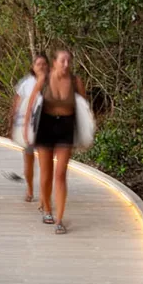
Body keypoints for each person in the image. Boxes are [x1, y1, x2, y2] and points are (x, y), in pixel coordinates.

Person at [35, 47, 86, 234]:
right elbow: (31, 105)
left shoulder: (75, 81)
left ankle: (59, 219)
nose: (66, 64)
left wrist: (85, 135)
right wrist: (24, 131)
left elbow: (84, 109)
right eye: (62, 61)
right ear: (54, 62)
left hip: (66, 127)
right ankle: (47, 209)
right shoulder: (44, 79)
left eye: (68, 61)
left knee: (60, 174)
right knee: (46, 173)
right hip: (45, 126)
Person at [10, 53, 49, 202]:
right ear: (33, 67)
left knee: (46, 161)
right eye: (38, 64)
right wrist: (14, 126)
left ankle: (44, 194)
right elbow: (17, 105)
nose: (41, 67)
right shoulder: (26, 83)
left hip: (46, 126)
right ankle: (30, 189)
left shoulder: (52, 82)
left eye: (44, 64)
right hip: (29, 125)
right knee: (29, 158)